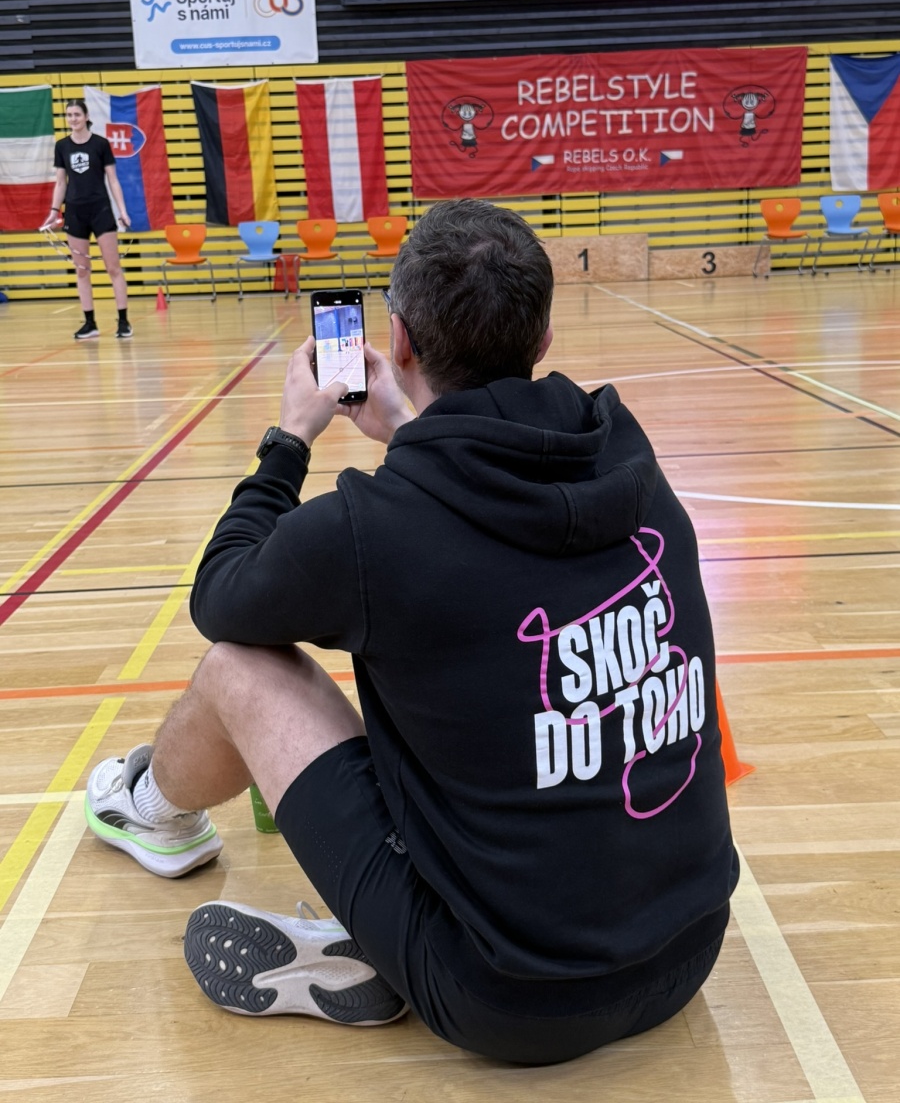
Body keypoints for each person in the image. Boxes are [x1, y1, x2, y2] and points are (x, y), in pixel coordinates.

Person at [84, 198, 738, 1064]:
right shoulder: (626, 454)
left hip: (507, 1001)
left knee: (239, 666)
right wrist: (409, 429)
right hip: (689, 950)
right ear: (544, 337)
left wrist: (289, 439)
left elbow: (223, 596)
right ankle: (388, 932)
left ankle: (155, 815)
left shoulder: (371, 530)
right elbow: (494, 516)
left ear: (397, 341)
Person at [43, 98, 133, 340]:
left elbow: (113, 180)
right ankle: (90, 323)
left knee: (113, 268)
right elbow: (60, 183)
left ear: (86, 116)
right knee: (82, 271)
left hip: (100, 210)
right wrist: (54, 210)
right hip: (75, 213)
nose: (73, 119)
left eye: (77, 114)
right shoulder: (62, 146)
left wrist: (123, 211)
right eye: (69, 115)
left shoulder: (100, 144)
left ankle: (124, 321)